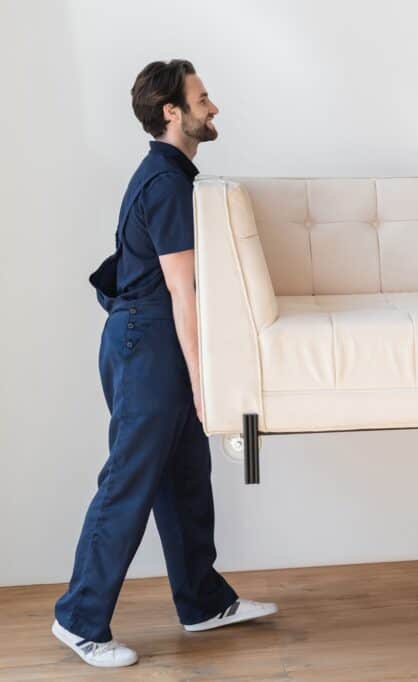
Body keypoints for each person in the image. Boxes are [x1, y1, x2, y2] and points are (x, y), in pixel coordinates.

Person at [52, 59, 277, 668]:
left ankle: (202, 602)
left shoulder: (171, 176)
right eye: (203, 98)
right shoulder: (169, 184)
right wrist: (207, 383)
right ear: (171, 112)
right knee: (130, 478)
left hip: (150, 338)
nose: (214, 107)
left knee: (183, 477)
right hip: (148, 343)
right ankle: (79, 617)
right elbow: (185, 292)